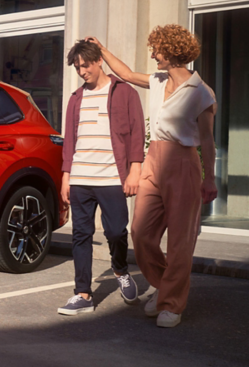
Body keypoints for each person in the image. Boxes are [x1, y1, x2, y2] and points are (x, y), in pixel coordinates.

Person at [87, 24, 217, 328]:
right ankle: (165, 288)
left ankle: (172, 302)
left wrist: (209, 178)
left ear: (171, 52)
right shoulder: (159, 80)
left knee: (180, 242)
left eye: (157, 49)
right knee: (141, 233)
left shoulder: (201, 93)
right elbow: (128, 74)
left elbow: (208, 141)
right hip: (153, 159)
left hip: (183, 162)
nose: (153, 53)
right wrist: (102, 49)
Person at [58, 40, 145, 316]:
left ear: (98, 61)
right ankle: (83, 293)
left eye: (85, 65)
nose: (82, 71)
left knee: (117, 231)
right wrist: (65, 176)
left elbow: (136, 132)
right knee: (81, 235)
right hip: (81, 177)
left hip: (111, 177)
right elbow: (69, 140)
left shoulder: (124, 92)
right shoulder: (75, 98)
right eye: (77, 67)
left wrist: (135, 169)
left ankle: (120, 268)